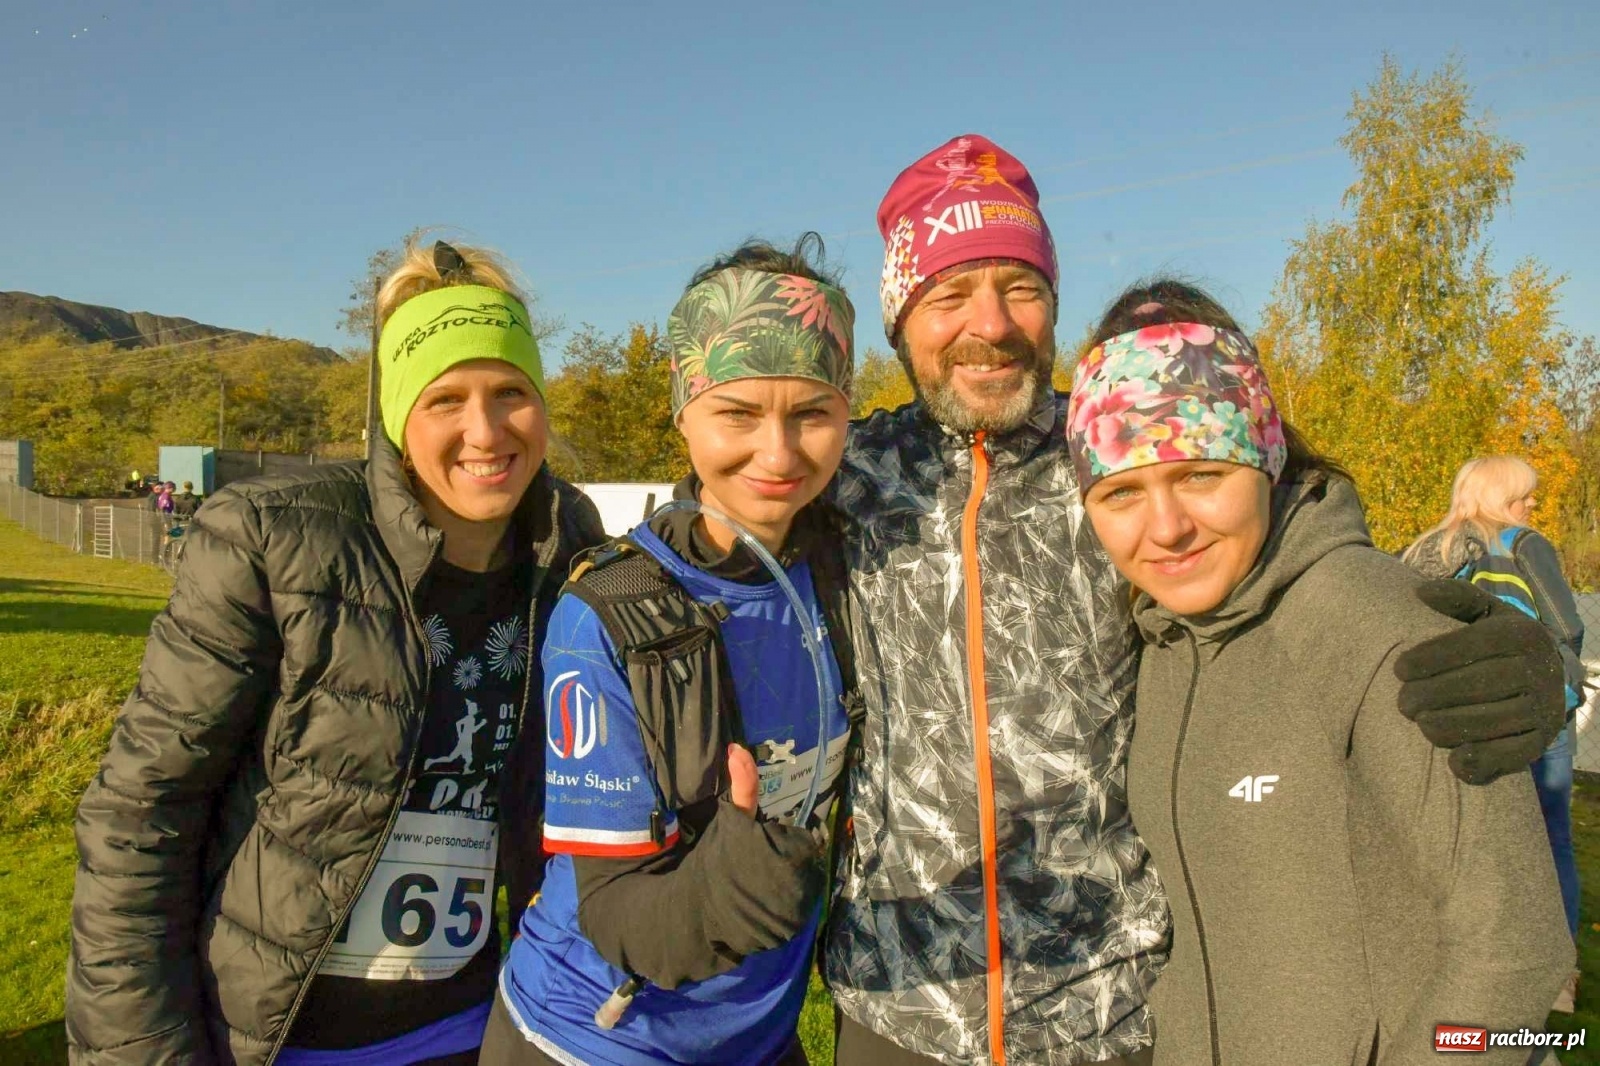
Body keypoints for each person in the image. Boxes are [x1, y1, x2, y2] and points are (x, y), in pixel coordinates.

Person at [822, 134, 1572, 1066]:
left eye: (1019, 288)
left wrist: (1517, 649)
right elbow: (728, 534)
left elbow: (1295, 533)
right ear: (901, 322)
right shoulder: (841, 476)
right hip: (898, 1009)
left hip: (1113, 1012)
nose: (991, 323)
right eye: (947, 295)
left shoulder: (1122, 436)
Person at [66, 238, 606, 1066]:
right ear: (395, 415)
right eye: (445, 399)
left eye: (511, 392)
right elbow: (141, 816)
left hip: (481, 1027)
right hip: (276, 1034)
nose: (485, 430)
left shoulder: (567, 540)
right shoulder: (272, 538)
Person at [1066, 281, 1572, 1065]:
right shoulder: (1157, 640)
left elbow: (1519, 949)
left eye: (1201, 474)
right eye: (1122, 491)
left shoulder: (1369, 622)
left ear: (1266, 459)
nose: (1165, 528)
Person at [482, 235, 857, 1065]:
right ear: (681, 409)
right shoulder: (608, 618)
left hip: (761, 1039)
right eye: (737, 412)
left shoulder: (841, 570)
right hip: (594, 1041)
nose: (779, 452)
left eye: (812, 413)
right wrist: (739, 888)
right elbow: (614, 918)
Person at [1404, 455, 1589, 1011]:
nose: (1533, 504)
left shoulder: (1423, 550)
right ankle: (1558, 976)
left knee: (1468, 837)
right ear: (1506, 496)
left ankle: (1458, 961)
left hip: (1461, 712)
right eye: (1526, 495)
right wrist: (1565, 675)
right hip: (1535, 708)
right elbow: (1565, 622)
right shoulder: (1524, 543)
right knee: (1551, 833)